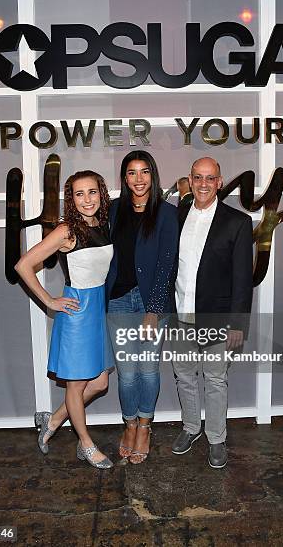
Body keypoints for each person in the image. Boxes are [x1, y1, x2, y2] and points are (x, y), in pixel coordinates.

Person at [15, 170, 114, 469]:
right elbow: (23, 265)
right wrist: (49, 301)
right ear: (71, 199)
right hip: (77, 313)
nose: (87, 199)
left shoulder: (103, 224)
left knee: (99, 382)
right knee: (76, 385)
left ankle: (55, 419)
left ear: (101, 193)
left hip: (97, 309)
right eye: (79, 194)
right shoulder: (66, 231)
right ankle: (86, 444)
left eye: (92, 192)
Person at [171, 157, 253, 469]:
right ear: (189, 181)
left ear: (219, 182)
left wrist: (237, 323)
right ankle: (191, 428)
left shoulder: (237, 222)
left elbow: (243, 280)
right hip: (180, 314)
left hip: (217, 317)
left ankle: (216, 438)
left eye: (210, 178)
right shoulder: (177, 216)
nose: (203, 184)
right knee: (184, 376)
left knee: (216, 379)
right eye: (197, 177)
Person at [106, 150, 178, 464]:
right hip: (119, 300)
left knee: (148, 372)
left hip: (152, 302)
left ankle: (145, 427)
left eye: (144, 171)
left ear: (153, 174)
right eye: (132, 172)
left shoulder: (165, 212)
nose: (139, 179)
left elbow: (167, 264)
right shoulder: (111, 210)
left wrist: (153, 309)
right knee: (126, 375)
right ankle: (130, 425)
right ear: (124, 177)